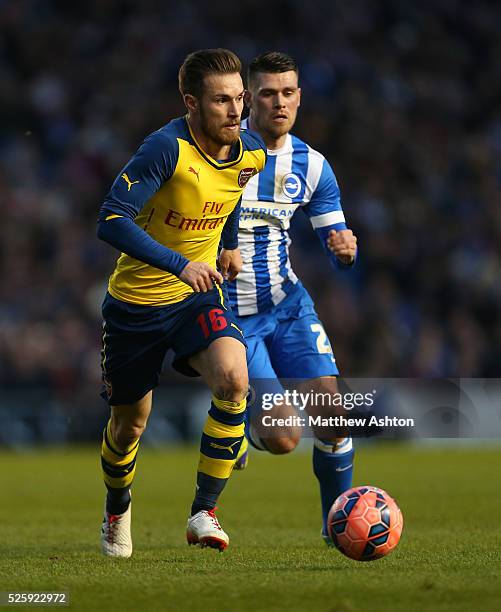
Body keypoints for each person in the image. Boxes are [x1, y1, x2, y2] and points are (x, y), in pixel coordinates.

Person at [97, 48, 266, 557]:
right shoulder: (165, 149)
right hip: (135, 306)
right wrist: (179, 263)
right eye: (221, 101)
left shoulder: (250, 152)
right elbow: (110, 219)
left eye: (240, 99)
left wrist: (230, 243)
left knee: (234, 378)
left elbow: (231, 194)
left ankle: (203, 513)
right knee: (130, 425)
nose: (235, 111)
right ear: (191, 103)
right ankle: (116, 509)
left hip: (194, 299)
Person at [227, 52, 358, 545]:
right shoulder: (219, 150)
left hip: (287, 304)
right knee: (285, 439)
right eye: (267, 93)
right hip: (230, 315)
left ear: (299, 96)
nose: (278, 102)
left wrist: (344, 249)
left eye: (287, 93)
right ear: (248, 100)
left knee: (333, 418)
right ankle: (232, 413)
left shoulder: (314, 165)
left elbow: (335, 234)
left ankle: (336, 528)